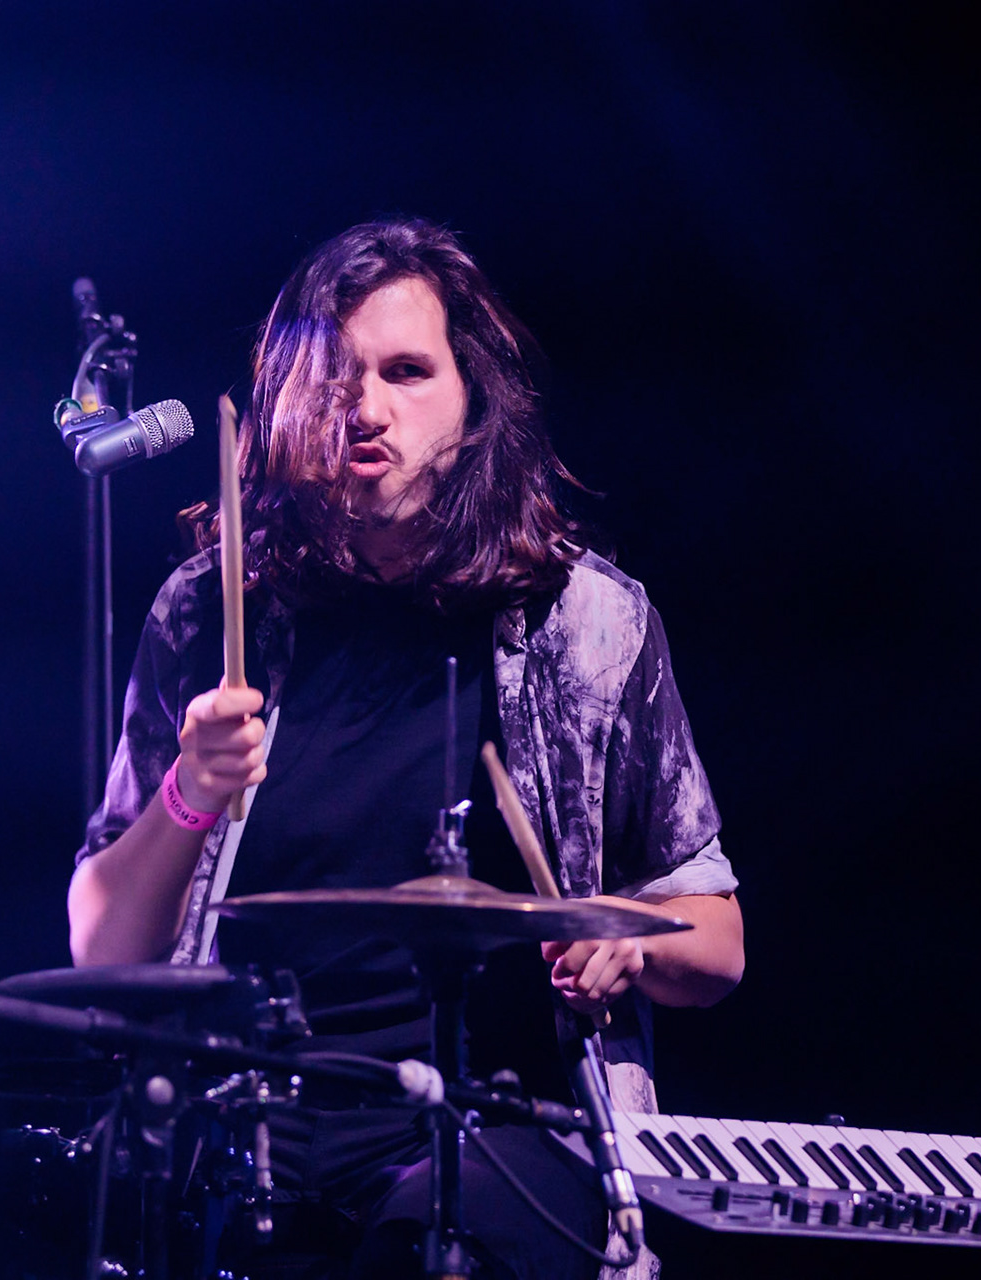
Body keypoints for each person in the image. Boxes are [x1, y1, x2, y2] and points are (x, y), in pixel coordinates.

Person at [68, 217, 744, 1279]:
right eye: (336, 376)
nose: (366, 408)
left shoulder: (587, 623)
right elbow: (104, 952)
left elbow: (719, 940)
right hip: (252, 1116)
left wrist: (634, 946)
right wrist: (189, 793)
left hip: (505, 1124)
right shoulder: (212, 613)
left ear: (473, 399)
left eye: (406, 371)